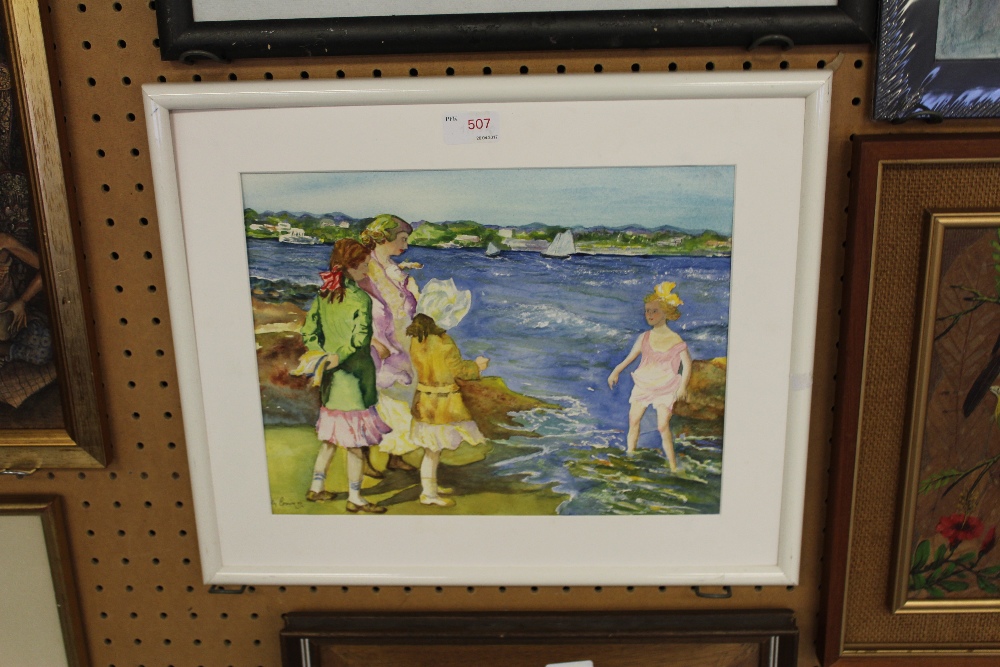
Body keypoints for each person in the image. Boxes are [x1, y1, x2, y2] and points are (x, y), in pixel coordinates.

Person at [298, 238, 391, 513]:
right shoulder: (360, 298)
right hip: (353, 380)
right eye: (363, 266)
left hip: (330, 378)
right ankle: (355, 498)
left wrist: (323, 356)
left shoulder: (324, 295)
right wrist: (338, 355)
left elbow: (308, 333)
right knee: (355, 443)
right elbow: (360, 340)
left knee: (330, 438)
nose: (367, 271)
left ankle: (316, 487)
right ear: (350, 267)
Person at [406, 279, 488, 507]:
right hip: (443, 403)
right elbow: (459, 370)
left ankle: (430, 486)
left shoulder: (417, 339)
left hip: (423, 400)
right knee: (433, 451)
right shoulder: (444, 343)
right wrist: (478, 366)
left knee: (433, 449)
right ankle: (428, 494)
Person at [359, 214, 423, 473]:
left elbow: (401, 295)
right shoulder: (363, 265)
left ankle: (396, 453)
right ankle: (363, 460)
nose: (405, 245)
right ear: (384, 237)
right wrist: (372, 339)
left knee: (402, 396)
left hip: (400, 337)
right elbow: (359, 305)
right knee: (371, 399)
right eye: (402, 239)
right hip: (375, 339)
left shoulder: (389, 264)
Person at [607, 281, 692, 471]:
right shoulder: (644, 337)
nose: (649, 315)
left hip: (666, 385)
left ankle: (672, 466)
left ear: (667, 313)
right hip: (644, 384)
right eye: (647, 311)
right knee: (633, 420)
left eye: (654, 311)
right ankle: (630, 455)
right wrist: (616, 371)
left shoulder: (676, 340)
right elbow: (631, 358)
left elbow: (687, 365)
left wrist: (683, 387)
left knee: (663, 426)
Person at [0, 231, 53, 368]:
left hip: (10, 310)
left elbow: (49, 268)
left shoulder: (4, 241)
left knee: (44, 347)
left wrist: (22, 301)